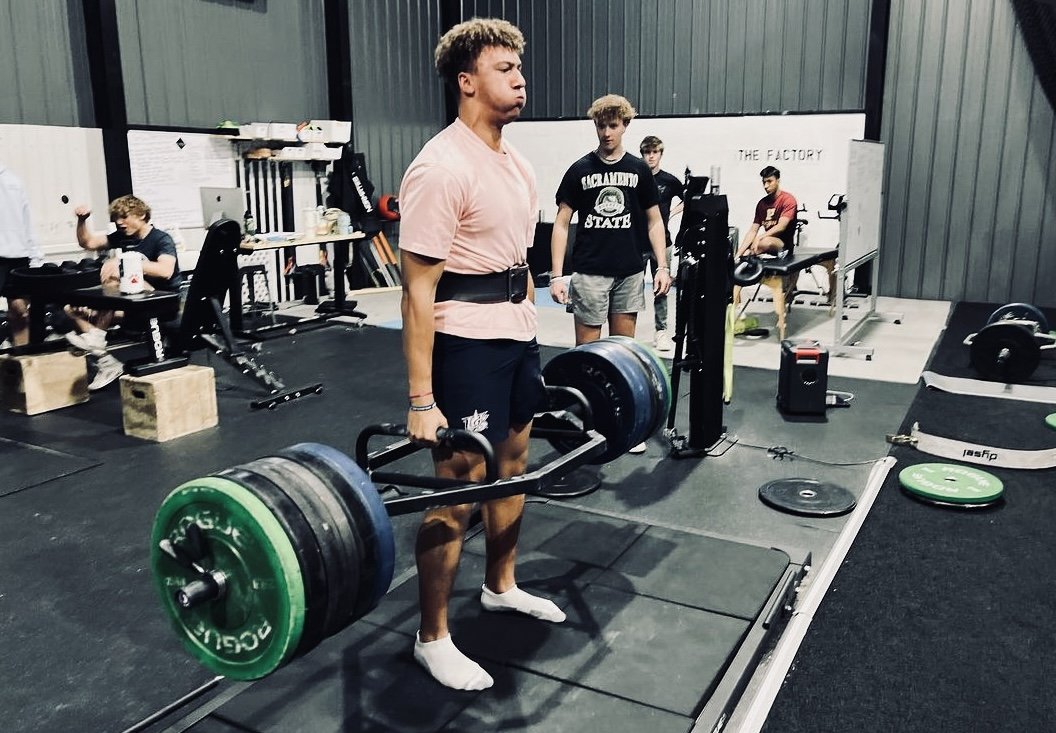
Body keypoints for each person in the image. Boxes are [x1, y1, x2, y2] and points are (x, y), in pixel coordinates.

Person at [398, 17, 565, 692]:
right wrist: (419, 397)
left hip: (518, 332)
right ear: (467, 82)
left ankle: (500, 584)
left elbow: (517, 259)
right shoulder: (440, 166)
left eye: (520, 67)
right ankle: (431, 635)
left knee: (515, 464)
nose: (520, 78)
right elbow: (417, 290)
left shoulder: (517, 162)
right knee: (458, 489)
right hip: (463, 341)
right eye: (504, 69)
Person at [548, 95, 671, 453]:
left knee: (624, 353)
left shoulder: (638, 170)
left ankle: (625, 424)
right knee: (586, 356)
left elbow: (654, 221)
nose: (606, 132)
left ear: (625, 126)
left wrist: (662, 266)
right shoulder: (580, 170)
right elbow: (561, 223)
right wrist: (557, 275)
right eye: (601, 125)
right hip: (589, 273)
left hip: (629, 273)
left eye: (613, 125)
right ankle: (586, 424)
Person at [66, 195, 182, 390]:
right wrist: (82, 220)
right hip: (131, 302)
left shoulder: (161, 239)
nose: (119, 222)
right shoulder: (123, 237)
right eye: (116, 218)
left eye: (124, 216)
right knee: (72, 310)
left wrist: (124, 264)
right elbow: (88, 243)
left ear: (142, 215)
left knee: (115, 275)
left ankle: (96, 338)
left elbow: (165, 271)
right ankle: (106, 360)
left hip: (161, 302)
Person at [639, 135, 684, 352]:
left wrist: (673, 213)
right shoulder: (636, 178)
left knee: (661, 289)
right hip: (637, 243)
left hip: (662, 243)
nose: (651, 157)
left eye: (654, 152)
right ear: (643, 155)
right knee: (629, 289)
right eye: (647, 152)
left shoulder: (670, 181)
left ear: (660, 154)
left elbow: (689, 197)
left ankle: (661, 332)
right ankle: (624, 332)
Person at [0, 163, 45, 347]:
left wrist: (35, 257)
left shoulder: (13, 181)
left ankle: (22, 360)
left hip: (17, 256)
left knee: (20, 311)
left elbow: (27, 222)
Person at [737, 166, 798, 258]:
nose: (766, 186)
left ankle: (751, 254)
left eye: (769, 181)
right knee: (744, 250)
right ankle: (745, 255)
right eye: (764, 182)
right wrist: (738, 255)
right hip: (765, 243)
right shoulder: (761, 204)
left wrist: (759, 237)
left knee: (765, 241)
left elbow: (781, 227)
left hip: (783, 245)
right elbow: (753, 231)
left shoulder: (788, 199)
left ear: (778, 181)